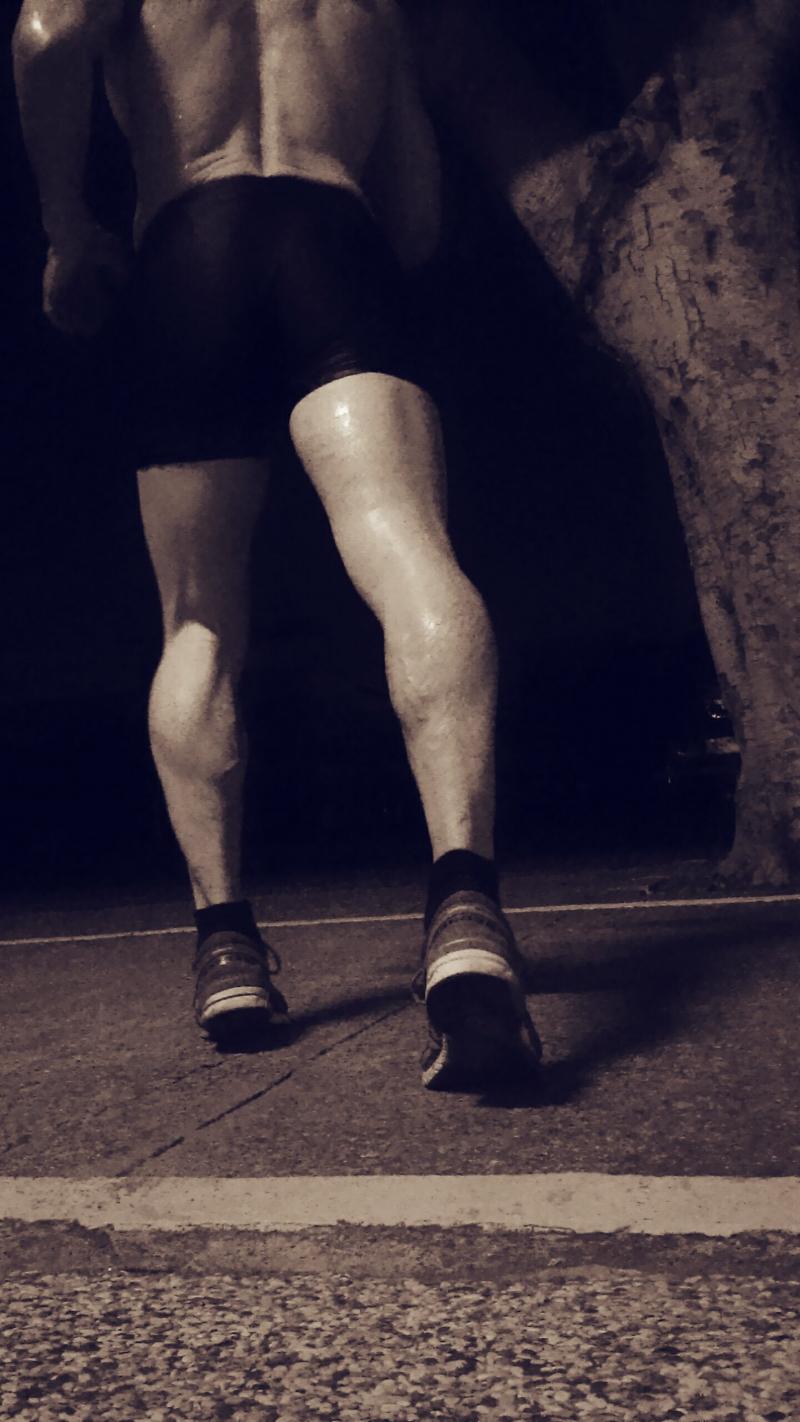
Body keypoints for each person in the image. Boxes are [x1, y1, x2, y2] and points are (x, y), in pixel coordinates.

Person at [13, 0, 541, 1089]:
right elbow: (417, 209)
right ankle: (464, 910)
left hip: (188, 251)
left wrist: (68, 231)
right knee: (409, 551)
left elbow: (49, 36)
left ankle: (227, 948)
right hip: (333, 238)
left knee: (198, 621)